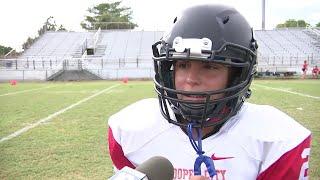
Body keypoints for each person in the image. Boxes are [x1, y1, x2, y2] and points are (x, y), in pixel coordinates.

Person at [108, 4, 312, 180]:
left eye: (210, 66)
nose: (190, 79)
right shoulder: (129, 130)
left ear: (237, 75)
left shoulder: (277, 140)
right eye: (183, 64)